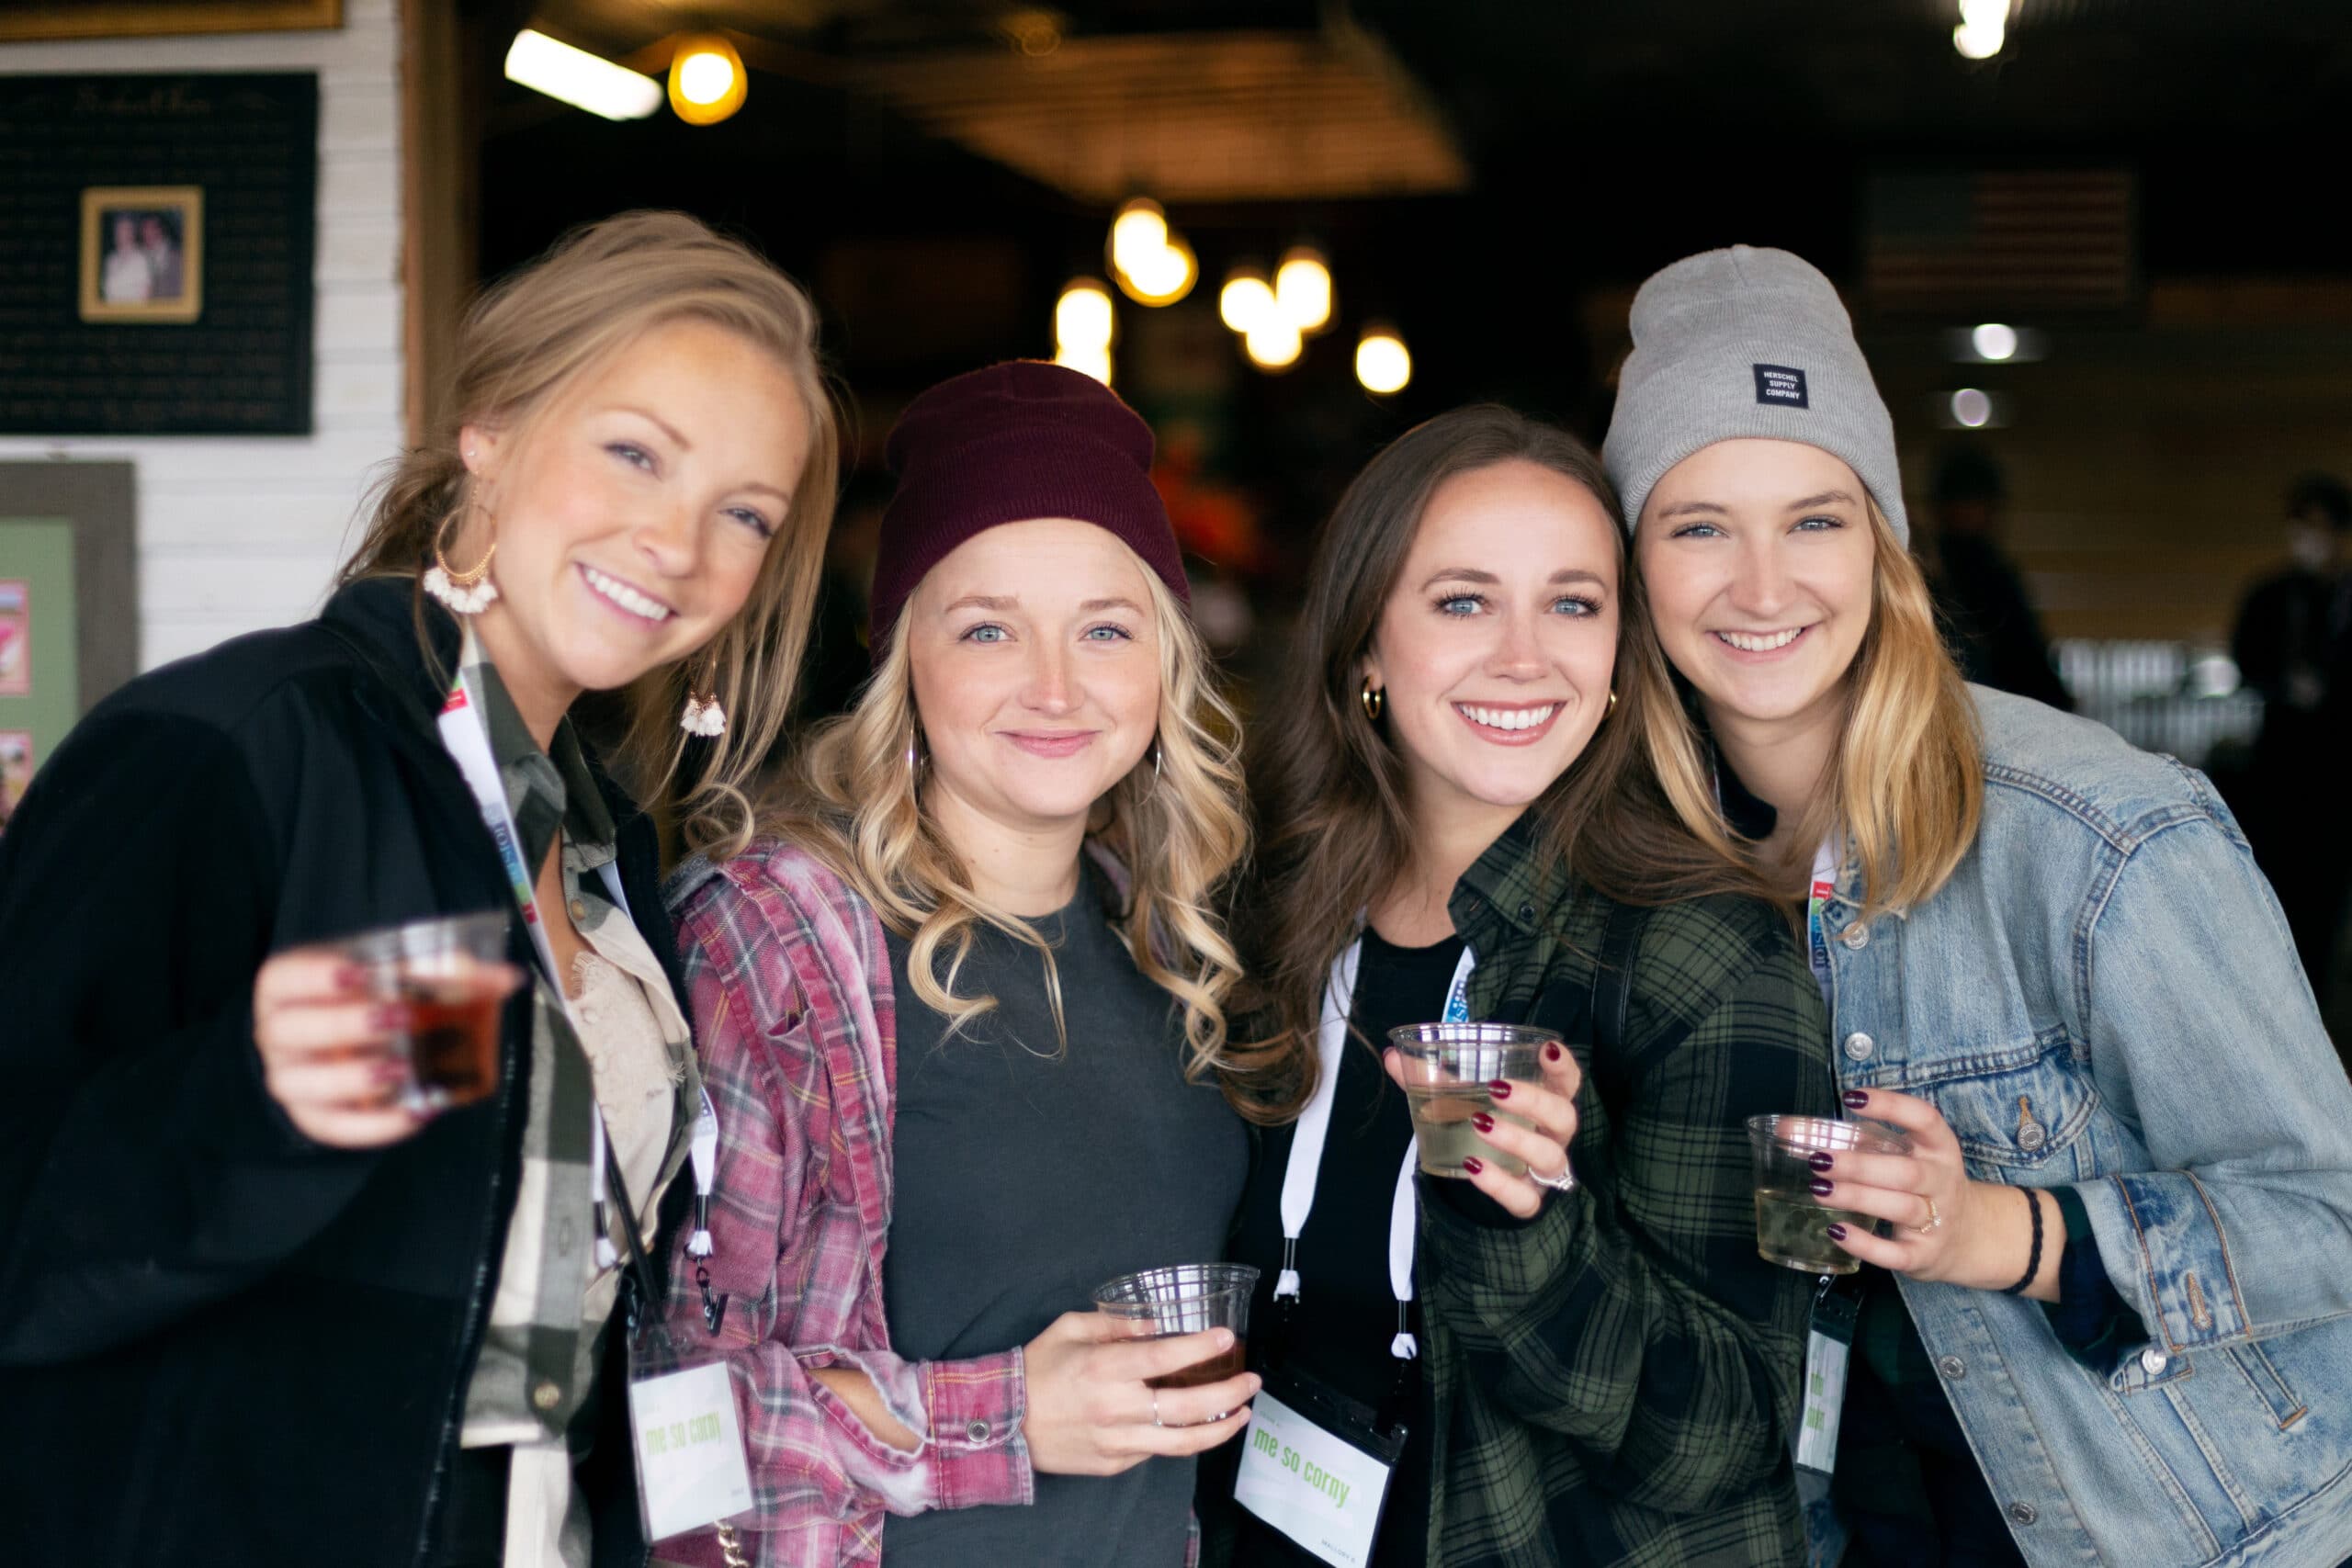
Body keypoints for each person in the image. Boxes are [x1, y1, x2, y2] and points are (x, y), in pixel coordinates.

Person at [0, 210, 839, 1568]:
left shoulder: (607, 838)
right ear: (491, 428)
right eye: (635, 451)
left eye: (744, 512)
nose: (679, 543)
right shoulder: (237, 746)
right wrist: (248, 1102)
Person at [1604, 244, 2352, 1568]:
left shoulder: (2096, 834)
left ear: (1884, 543)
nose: (1764, 584)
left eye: (1815, 518)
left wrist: (2009, 1229)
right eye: (1699, 522)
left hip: (2177, 1528)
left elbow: (2333, 1223)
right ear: (1634, 561)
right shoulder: (1646, 866)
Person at [1204, 405, 1834, 1568]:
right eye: (1461, 601)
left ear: (1614, 660)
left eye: (1572, 603)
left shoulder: (1727, 957)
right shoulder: (1262, 917)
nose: (1524, 656)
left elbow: (1751, 1428)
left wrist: (1527, 1226)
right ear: (1364, 650)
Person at [654, 360, 1258, 1567]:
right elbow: (670, 1423)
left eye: (1105, 626)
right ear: (904, 662)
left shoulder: (1164, 933)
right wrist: (1006, 1415)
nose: (1055, 683)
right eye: (988, 627)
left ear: (1165, 663)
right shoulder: (778, 943)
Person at [2230, 471, 2352, 1001]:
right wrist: (2284, 684)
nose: (2306, 540)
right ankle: (2280, 997)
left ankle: (2321, 999)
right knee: (2276, 894)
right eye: (2299, 526)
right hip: (2279, 774)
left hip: (2339, 775)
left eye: (2318, 528)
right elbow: (2245, 658)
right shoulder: (2272, 596)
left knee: (2326, 903)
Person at [1921, 446, 2070, 711]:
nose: (1973, 514)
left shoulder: (1994, 575)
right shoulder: (1935, 576)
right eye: (1966, 503)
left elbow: (2028, 662)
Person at [100, 210, 152, 303]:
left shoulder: (141, 258)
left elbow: (146, 295)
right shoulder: (111, 259)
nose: (120, 233)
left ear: (132, 233)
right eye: (118, 229)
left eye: (125, 229)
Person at [141, 210, 186, 299]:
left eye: (153, 228)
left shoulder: (177, 255)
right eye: (145, 229)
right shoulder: (140, 255)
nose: (148, 233)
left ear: (161, 229)